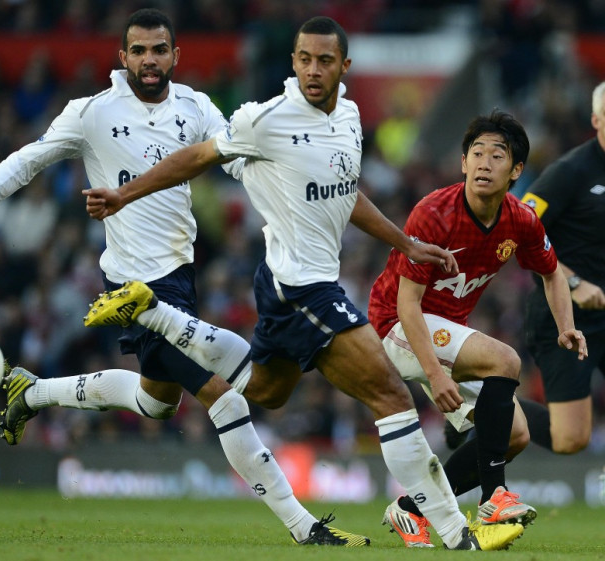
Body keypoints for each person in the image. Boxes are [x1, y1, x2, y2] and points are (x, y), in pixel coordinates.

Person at [81, 16, 525, 551]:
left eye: (325, 61)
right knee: (391, 396)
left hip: (297, 283)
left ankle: (155, 312)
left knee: (266, 390)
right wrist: (124, 197)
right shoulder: (265, 119)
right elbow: (196, 157)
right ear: (293, 62)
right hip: (301, 287)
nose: (314, 70)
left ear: (345, 67)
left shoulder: (350, 118)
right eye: (305, 60)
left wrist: (403, 243)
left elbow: (346, 195)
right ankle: (456, 534)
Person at [0, 9, 370, 547]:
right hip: (133, 291)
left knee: (155, 402)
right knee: (224, 397)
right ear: (123, 58)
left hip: (181, 278)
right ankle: (304, 528)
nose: (149, 60)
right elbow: (29, 160)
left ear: (175, 56)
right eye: (138, 51)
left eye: (159, 50)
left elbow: (242, 160)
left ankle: (33, 391)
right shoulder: (91, 113)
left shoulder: (196, 107)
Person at [366, 110, 587, 547]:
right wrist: (435, 374)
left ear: (516, 170)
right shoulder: (433, 213)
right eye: (477, 153)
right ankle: (494, 497)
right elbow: (407, 305)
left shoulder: (520, 219)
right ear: (463, 162)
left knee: (515, 435)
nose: (485, 163)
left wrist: (567, 326)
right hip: (394, 325)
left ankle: (411, 510)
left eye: (497, 155)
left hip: (443, 328)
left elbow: (552, 273)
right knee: (505, 359)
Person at [518, 81, 605, 454]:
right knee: (570, 440)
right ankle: (488, 409)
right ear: (596, 120)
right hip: (567, 315)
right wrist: (572, 281)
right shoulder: (571, 172)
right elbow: (521, 233)